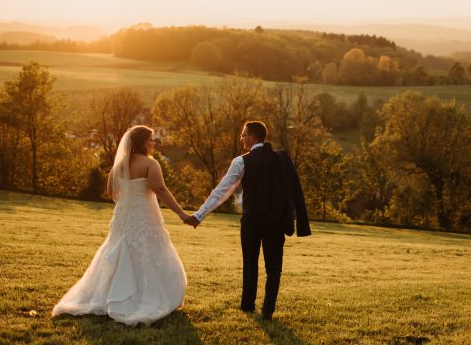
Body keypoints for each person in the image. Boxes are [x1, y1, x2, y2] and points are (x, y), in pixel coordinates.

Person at [52, 125, 190, 326]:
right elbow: (159, 189)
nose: (154, 143)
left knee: (117, 250)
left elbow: (110, 190)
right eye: (151, 139)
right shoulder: (151, 164)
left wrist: (126, 201)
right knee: (149, 251)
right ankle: (144, 298)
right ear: (142, 142)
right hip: (144, 215)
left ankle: (111, 294)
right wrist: (181, 213)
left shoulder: (119, 165)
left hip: (123, 215)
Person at [185, 121, 310, 320]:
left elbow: (222, 192)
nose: (241, 138)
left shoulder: (241, 161)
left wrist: (200, 215)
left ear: (252, 138)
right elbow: (296, 190)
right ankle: (268, 311)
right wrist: (302, 223)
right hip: (276, 221)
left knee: (250, 263)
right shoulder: (282, 158)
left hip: (251, 220)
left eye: (243, 135)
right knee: (274, 268)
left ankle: (247, 306)